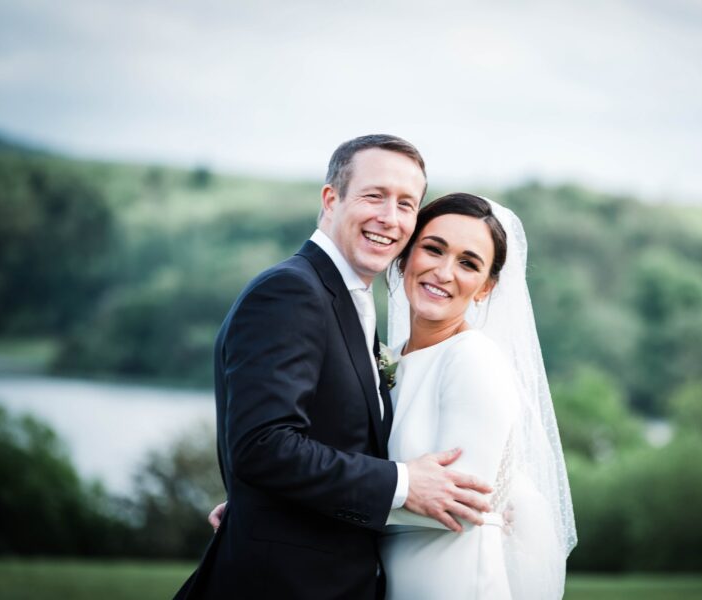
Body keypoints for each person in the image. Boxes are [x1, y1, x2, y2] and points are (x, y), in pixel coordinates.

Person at [174, 135, 493, 600]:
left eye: (407, 204)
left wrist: (261, 505)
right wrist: (404, 483)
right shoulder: (291, 292)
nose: (390, 217)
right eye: (374, 196)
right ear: (331, 199)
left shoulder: (349, 302)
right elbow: (263, 446)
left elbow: (320, 439)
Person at [380, 193, 577, 599]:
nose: (444, 271)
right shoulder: (390, 357)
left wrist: (309, 503)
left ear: (486, 288)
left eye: (468, 263)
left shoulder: (473, 358)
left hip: (452, 580)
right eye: (433, 249)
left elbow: (459, 506)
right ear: (405, 256)